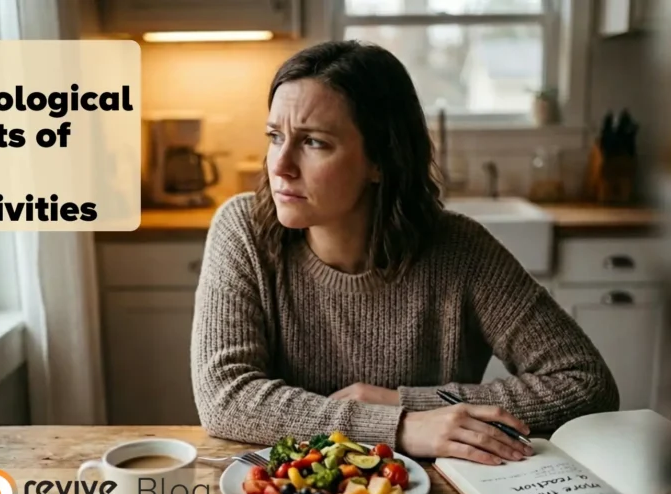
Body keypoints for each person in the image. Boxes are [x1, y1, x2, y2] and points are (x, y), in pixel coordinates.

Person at [190, 40, 619, 466]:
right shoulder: (244, 229)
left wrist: (404, 399)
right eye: (274, 136)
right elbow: (226, 397)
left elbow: (586, 383)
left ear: (381, 160)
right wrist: (401, 424)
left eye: (314, 142)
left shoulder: (462, 251)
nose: (279, 165)